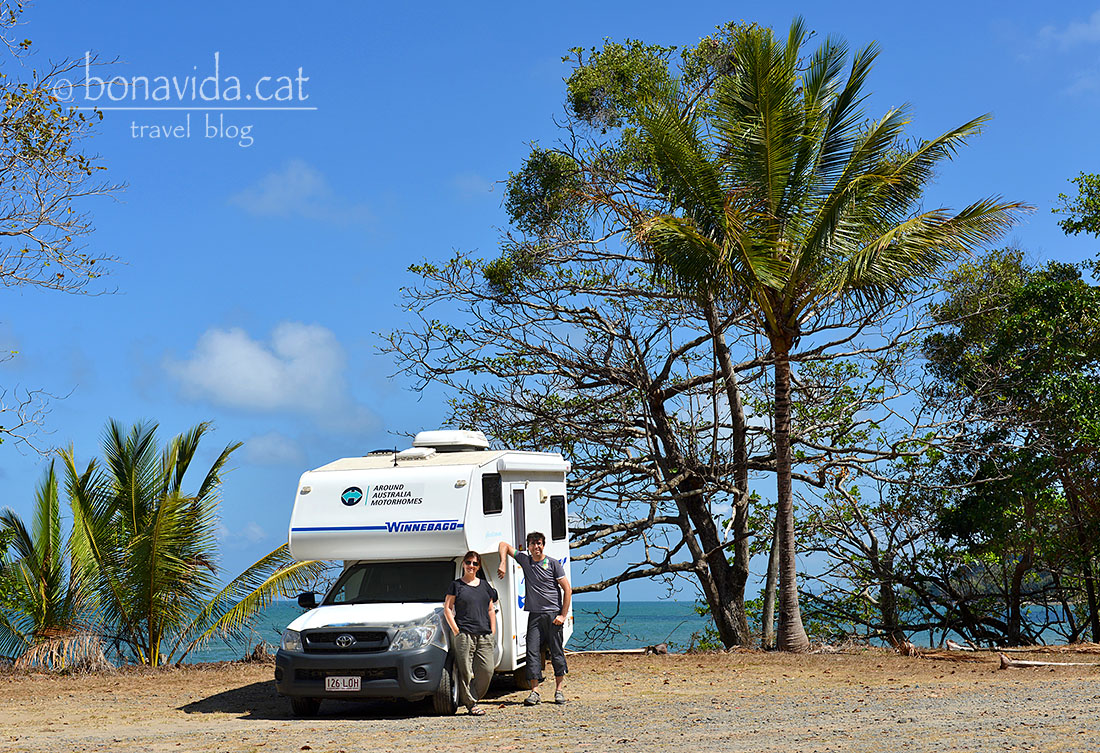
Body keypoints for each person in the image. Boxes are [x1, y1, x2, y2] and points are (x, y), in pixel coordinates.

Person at [497, 532, 572, 706]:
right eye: (532, 543)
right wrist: (503, 563)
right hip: (535, 615)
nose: (536, 546)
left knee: (556, 653)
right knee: (532, 652)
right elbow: (503, 545)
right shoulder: (525, 561)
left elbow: (567, 589)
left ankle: (559, 691)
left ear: (543, 545)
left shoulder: (553, 563)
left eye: (539, 543)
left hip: (553, 614)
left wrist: (563, 615)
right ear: (528, 546)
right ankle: (535, 692)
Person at [443, 550, 498, 716]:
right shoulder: (456, 585)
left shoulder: (485, 586)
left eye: (475, 563)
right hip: (464, 634)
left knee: (487, 670)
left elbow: (490, 609)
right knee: (465, 672)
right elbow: (447, 608)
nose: (471, 566)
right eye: (468, 562)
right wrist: (456, 630)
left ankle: (470, 697)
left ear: (478, 566)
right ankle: (471, 704)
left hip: (484, 635)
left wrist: (493, 631)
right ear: (463, 564)